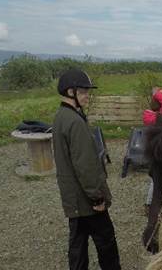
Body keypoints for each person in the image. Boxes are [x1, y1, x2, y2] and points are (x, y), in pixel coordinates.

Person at [52, 69, 121, 270]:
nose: (86, 96)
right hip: (86, 201)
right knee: (106, 242)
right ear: (70, 92)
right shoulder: (74, 121)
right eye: (82, 92)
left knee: (78, 244)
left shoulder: (61, 116)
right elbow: (85, 166)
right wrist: (97, 197)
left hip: (73, 198)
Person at [141, 86, 162, 212]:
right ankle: (150, 205)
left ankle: (150, 204)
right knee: (157, 180)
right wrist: (158, 93)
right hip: (159, 153)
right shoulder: (157, 117)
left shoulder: (150, 115)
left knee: (156, 179)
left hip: (154, 152)